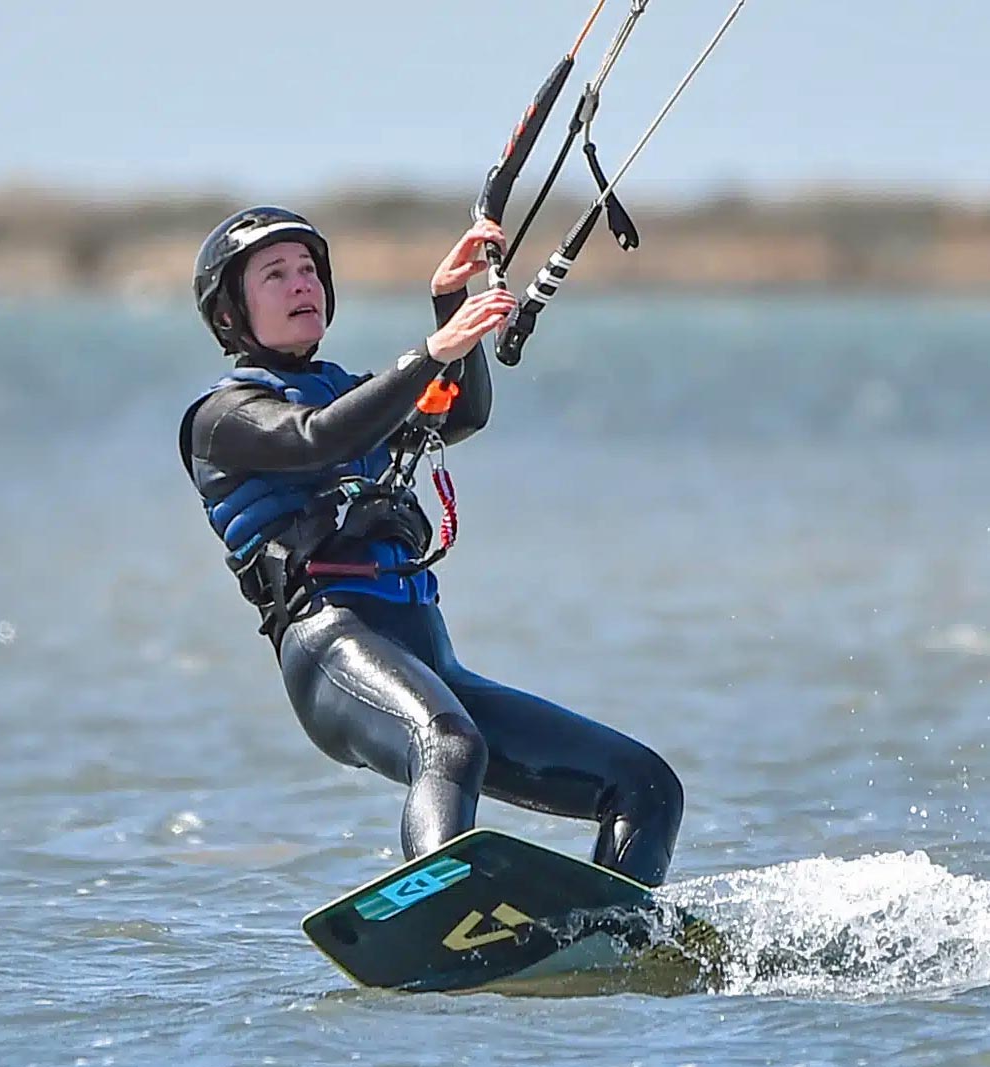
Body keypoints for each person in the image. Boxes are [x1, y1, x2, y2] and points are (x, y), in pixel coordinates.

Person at [179, 207, 683, 886]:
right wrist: (432, 351)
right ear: (230, 314)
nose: (301, 285)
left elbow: (461, 413)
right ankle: (438, 903)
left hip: (430, 655)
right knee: (447, 743)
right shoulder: (223, 418)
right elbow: (318, 439)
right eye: (274, 275)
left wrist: (451, 304)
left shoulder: (355, 395)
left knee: (644, 786)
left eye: (308, 270)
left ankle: (615, 929)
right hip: (333, 651)